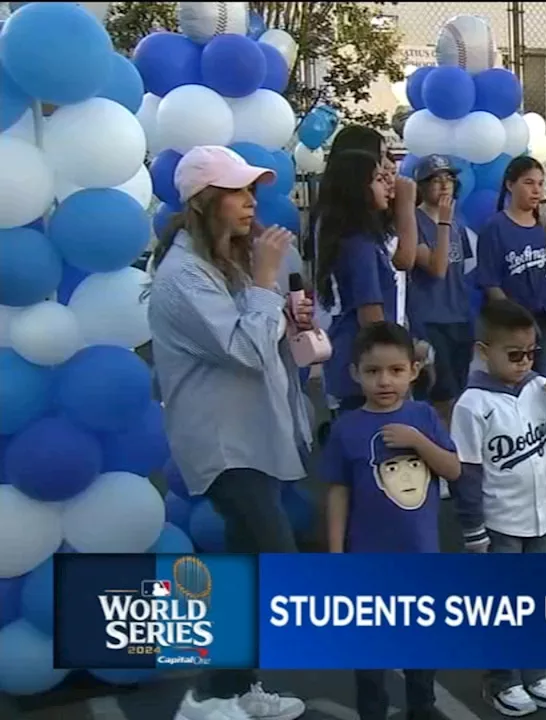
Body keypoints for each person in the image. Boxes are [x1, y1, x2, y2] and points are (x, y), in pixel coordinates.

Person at [148, 145, 309, 720]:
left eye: (251, 191)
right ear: (206, 202)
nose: (250, 203)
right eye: (238, 192)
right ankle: (208, 697)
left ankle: (233, 688)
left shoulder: (222, 261)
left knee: (249, 565)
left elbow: (260, 337)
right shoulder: (183, 275)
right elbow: (243, 347)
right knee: (274, 558)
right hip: (221, 443)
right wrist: (266, 284)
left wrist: (289, 312)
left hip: (253, 436)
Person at [320, 322, 464, 720]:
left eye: (396, 371)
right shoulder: (347, 428)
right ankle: (373, 709)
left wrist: (418, 441)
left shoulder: (423, 416)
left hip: (420, 554)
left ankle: (423, 704)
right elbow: (337, 491)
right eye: (373, 371)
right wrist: (334, 552)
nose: (385, 381)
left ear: (413, 371)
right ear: (355, 374)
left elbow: (452, 469)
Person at [450, 299, 546, 717]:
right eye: (514, 354)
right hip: (501, 521)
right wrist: (473, 529)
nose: (525, 361)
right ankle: (501, 680)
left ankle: (536, 673)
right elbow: (466, 474)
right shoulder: (471, 405)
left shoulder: (538, 388)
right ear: (483, 350)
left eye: (531, 352)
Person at [315, 150, 406, 412]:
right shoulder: (359, 245)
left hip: (359, 362)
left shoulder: (361, 238)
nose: (387, 184)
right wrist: (399, 359)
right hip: (365, 367)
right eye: (378, 179)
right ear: (358, 189)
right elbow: (371, 316)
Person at [475, 156, 546, 371]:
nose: (536, 190)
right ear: (510, 185)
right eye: (529, 183)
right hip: (514, 323)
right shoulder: (495, 228)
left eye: (540, 184)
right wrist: (517, 320)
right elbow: (491, 284)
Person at [407, 154, 471, 425]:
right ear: (421, 186)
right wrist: (443, 224)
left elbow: (462, 269)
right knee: (439, 393)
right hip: (431, 319)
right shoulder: (415, 222)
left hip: (460, 316)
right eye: (436, 179)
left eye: (449, 178)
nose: (444, 185)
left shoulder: (457, 225)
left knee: (460, 391)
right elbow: (437, 268)